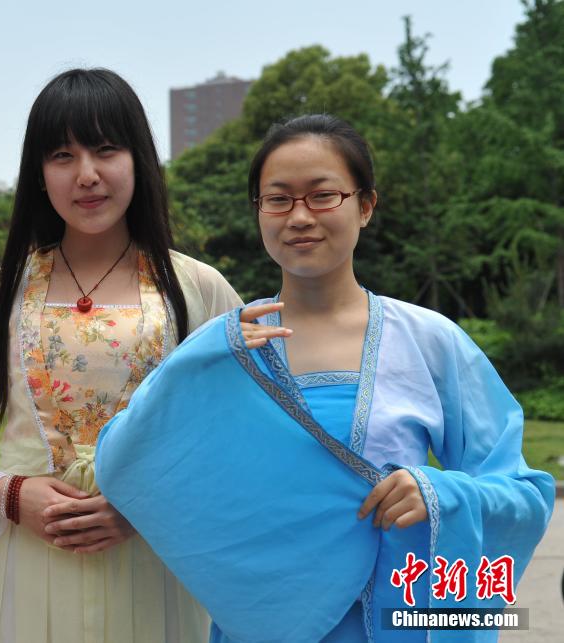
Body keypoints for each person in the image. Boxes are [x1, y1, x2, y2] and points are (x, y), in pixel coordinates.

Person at [96, 114, 555, 642]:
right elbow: (126, 461)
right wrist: (192, 360)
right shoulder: (226, 349)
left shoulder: (430, 341)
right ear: (258, 211)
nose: (299, 217)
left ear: (366, 206)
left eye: (322, 196)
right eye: (278, 199)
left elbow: (523, 493)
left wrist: (438, 494)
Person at [0, 68, 244, 642]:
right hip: (24, 566)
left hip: (155, 565)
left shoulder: (197, 289)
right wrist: (9, 494)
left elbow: (240, 432)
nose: (87, 174)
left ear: (139, 159)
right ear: (38, 173)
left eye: (105, 149)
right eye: (62, 155)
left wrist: (145, 505)